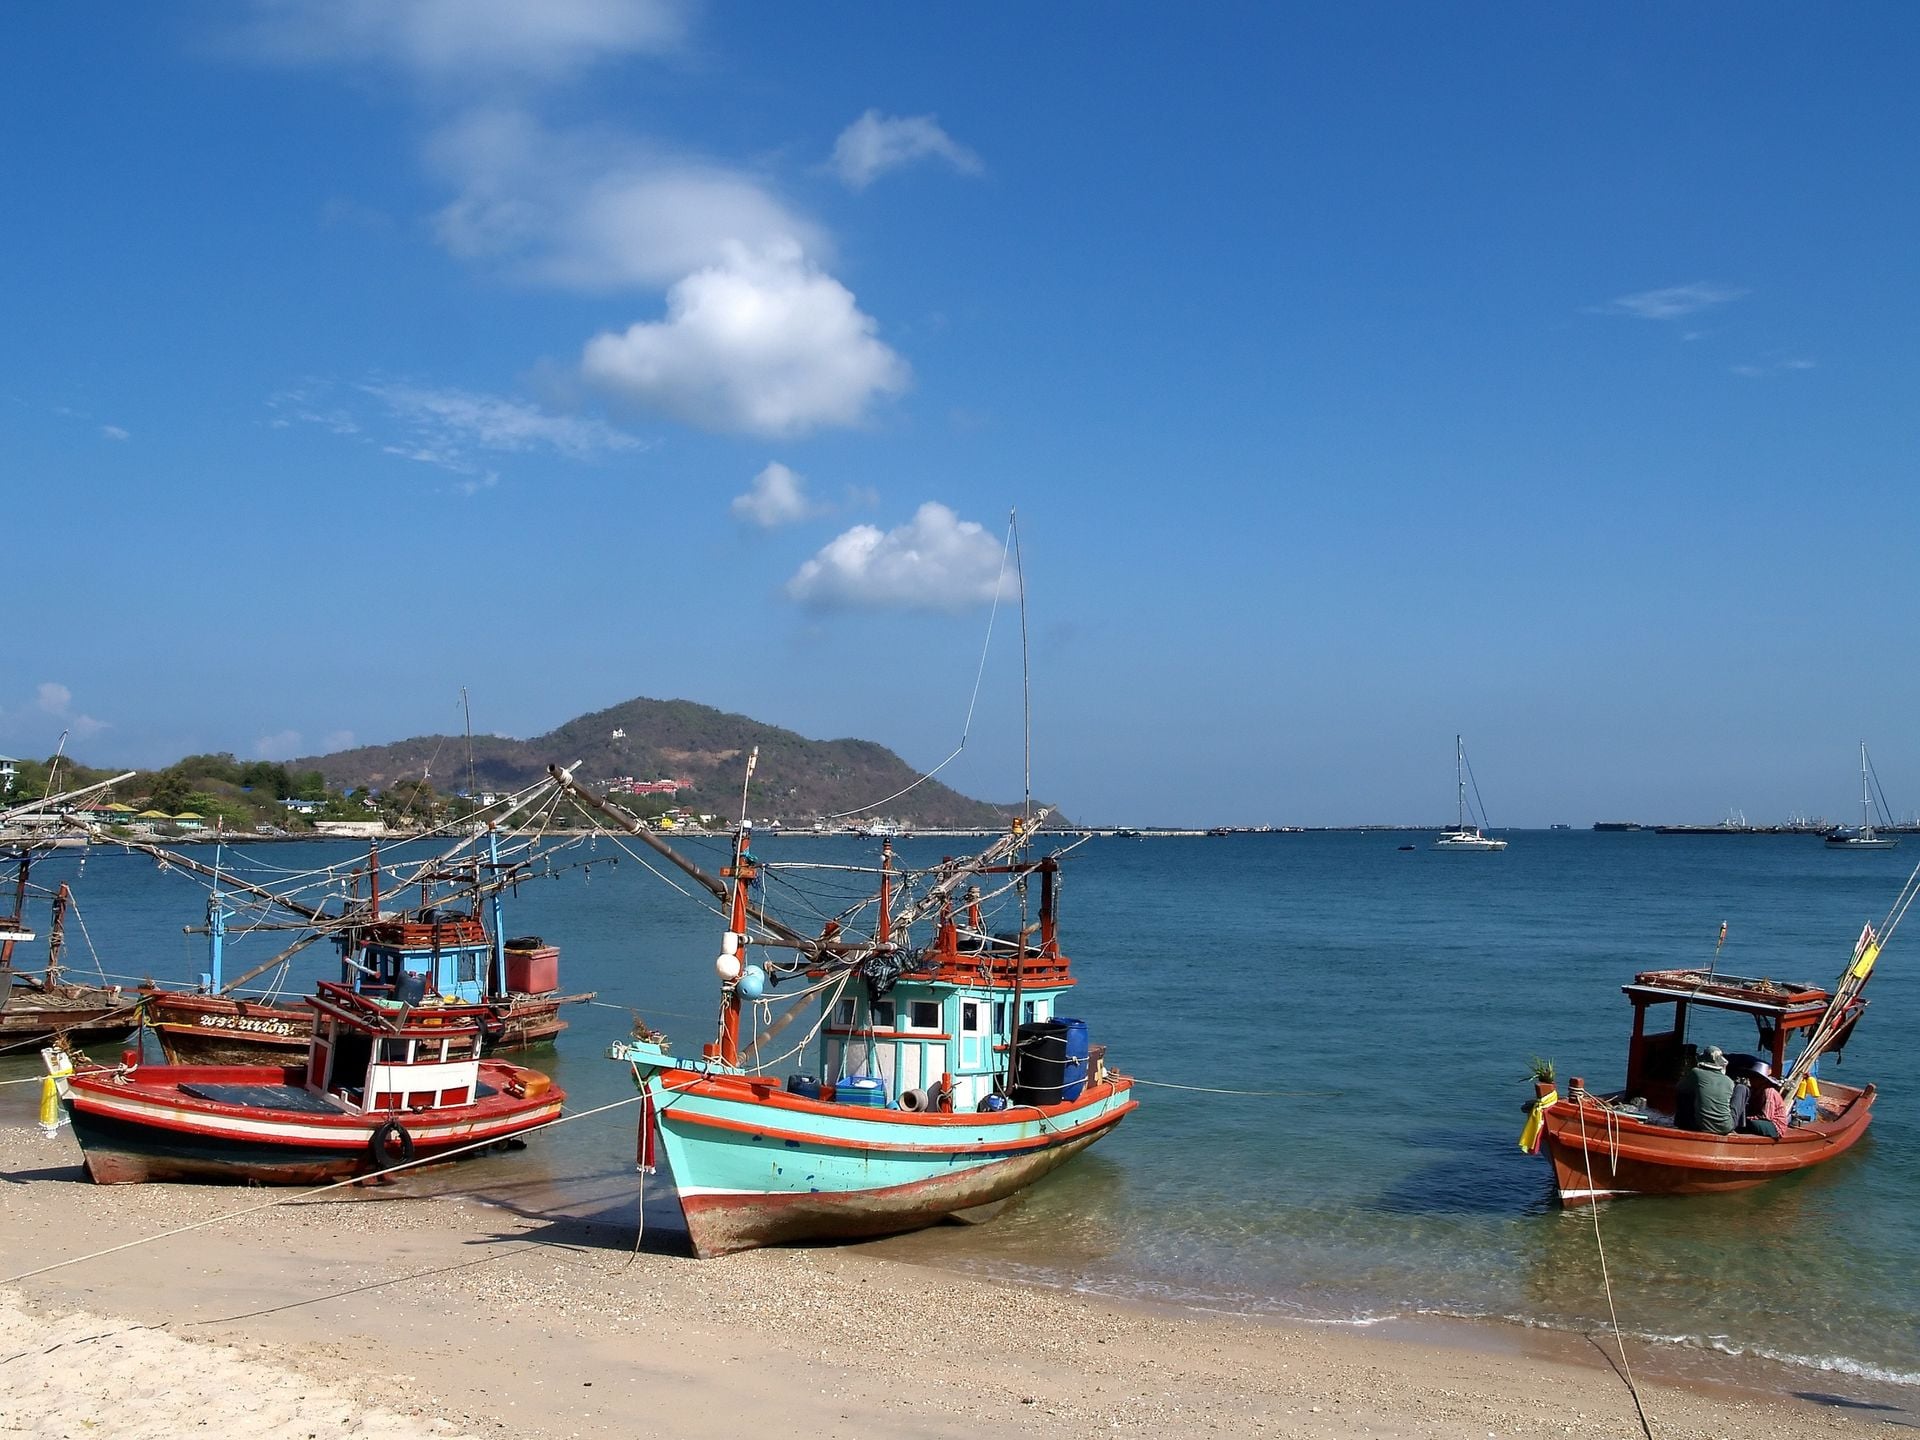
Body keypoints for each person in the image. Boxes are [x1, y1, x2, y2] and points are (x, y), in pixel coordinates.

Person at [1674, 1045, 1736, 1134]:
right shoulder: (1729, 1081)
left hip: (1702, 1126)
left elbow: (1679, 1088)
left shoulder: (1696, 1073)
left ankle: (1681, 1123)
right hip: (1727, 1127)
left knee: (1683, 1094)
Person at [1742, 1060, 1790, 1138]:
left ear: (1762, 1079)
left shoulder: (1768, 1091)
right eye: (1751, 1076)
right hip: (1763, 1120)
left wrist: (1749, 1118)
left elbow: (1767, 1116)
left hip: (1775, 1125)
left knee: (1750, 1123)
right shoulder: (1755, 1090)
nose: (1751, 1079)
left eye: (1755, 1077)